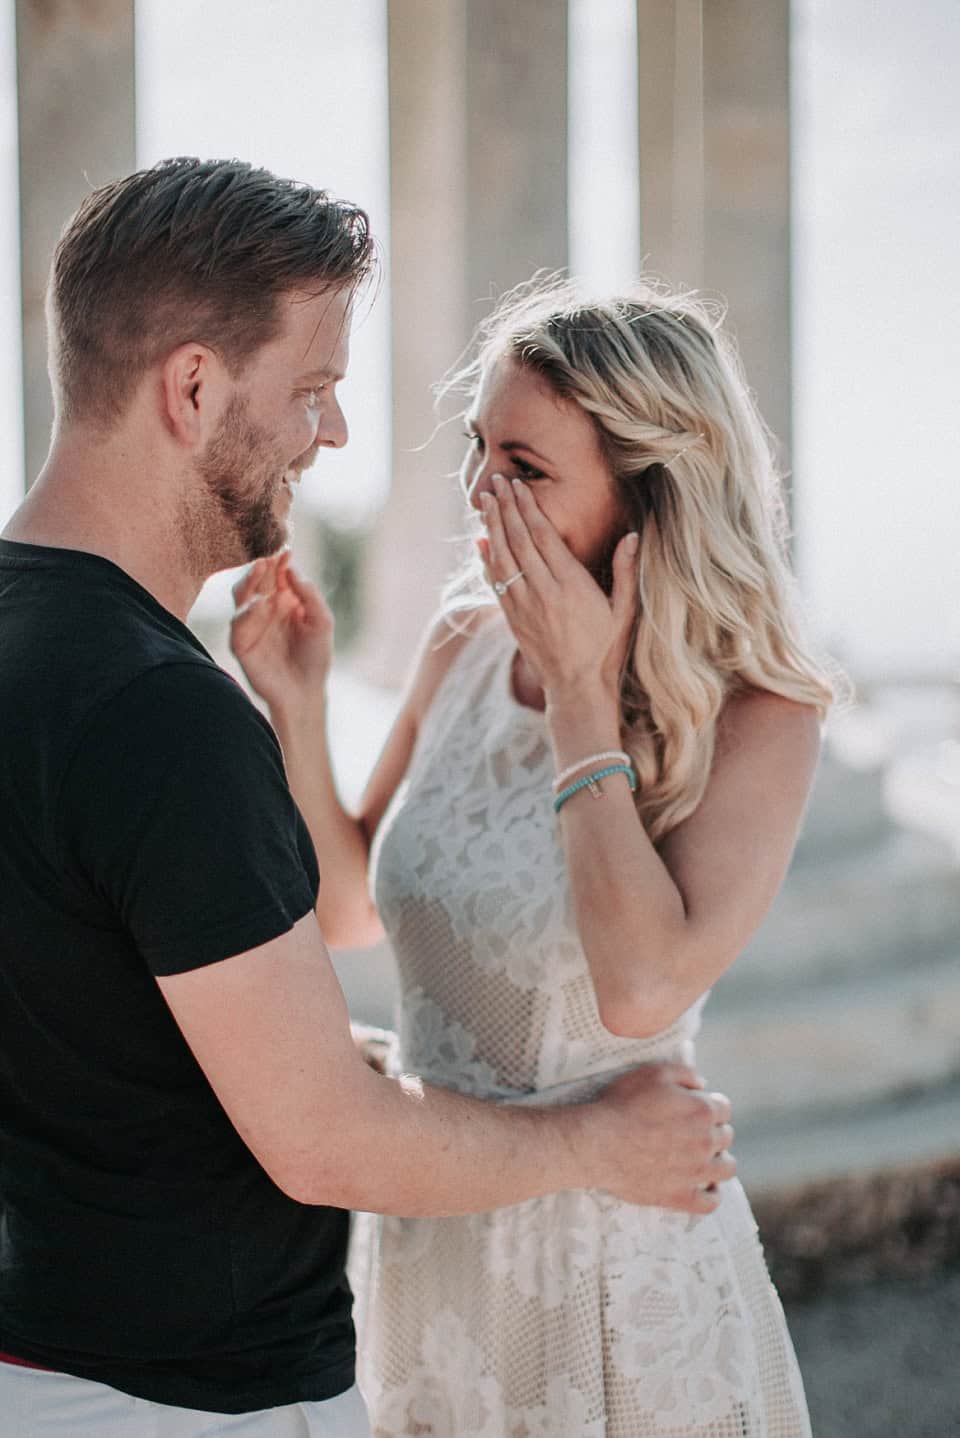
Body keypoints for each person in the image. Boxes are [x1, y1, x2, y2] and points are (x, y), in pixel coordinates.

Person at [0, 162, 735, 1438]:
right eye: (313, 391)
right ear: (190, 388)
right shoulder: (161, 719)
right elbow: (325, 1141)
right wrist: (597, 1145)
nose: (331, 434)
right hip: (190, 1403)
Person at [230, 276, 835, 1436]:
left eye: (527, 468)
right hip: (434, 1231)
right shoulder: (462, 637)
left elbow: (642, 985)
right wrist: (299, 710)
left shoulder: (761, 715)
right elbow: (358, 908)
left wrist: (578, 694)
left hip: (617, 1267)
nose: (480, 497)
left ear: (650, 499)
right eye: (478, 451)